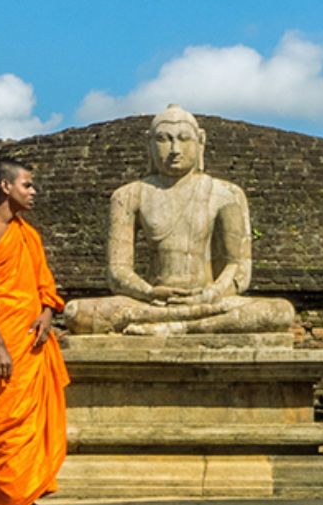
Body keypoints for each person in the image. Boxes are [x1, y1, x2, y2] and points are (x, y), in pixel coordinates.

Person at [60, 104, 295, 336]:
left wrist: (209, 294)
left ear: (200, 141)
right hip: (153, 304)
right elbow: (118, 271)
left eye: (184, 139)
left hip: (208, 302)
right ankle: (177, 323)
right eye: (163, 139)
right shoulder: (129, 195)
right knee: (76, 313)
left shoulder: (226, 194)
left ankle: (181, 327)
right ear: (149, 144)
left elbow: (238, 268)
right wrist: (150, 292)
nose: (174, 149)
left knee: (279, 312)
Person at [0, 159, 69, 505]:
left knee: (30, 420)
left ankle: (23, 497)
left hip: (31, 340)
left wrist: (46, 311)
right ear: (5, 187)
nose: (33, 191)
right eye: (27, 184)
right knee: (1, 417)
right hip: (3, 336)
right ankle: (4, 497)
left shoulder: (29, 234)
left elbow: (44, 285)